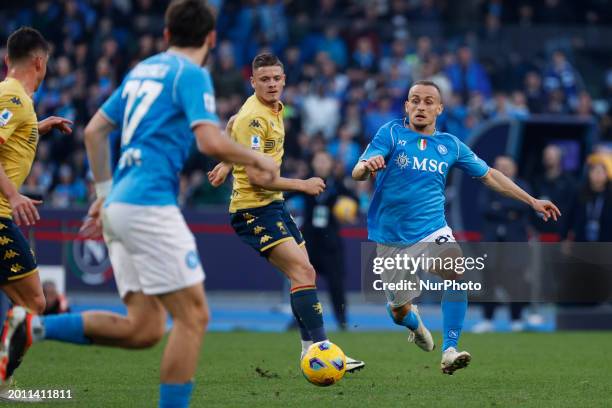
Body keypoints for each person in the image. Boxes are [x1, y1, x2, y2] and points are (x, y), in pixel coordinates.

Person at [1, 2, 276, 407]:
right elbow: (208, 141)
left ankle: (33, 329)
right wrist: (256, 159)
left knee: (145, 329)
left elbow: (95, 131)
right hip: (149, 204)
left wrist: (105, 195)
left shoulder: (142, 69)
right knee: (194, 317)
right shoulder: (191, 73)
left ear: (165, 36)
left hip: (121, 205)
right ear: (211, 39)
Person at [352, 80, 560, 375]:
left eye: (428, 101)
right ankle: (415, 323)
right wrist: (366, 167)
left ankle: (450, 350)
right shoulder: (391, 134)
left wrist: (531, 200)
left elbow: (490, 175)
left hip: (431, 229)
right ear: (406, 106)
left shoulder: (449, 145)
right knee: (399, 311)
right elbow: (357, 171)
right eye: (415, 100)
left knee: (456, 269)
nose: (421, 106)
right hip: (391, 237)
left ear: (439, 108)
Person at [207, 53, 364, 372]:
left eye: (276, 78)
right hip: (253, 209)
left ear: (284, 80)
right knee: (304, 273)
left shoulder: (274, 109)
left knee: (303, 274)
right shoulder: (256, 116)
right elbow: (257, 177)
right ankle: (322, 350)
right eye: (264, 79)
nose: (271, 84)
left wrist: (226, 162)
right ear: (253, 82)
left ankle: (311, 353)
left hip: (272, 205)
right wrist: (302, 185)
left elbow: (231, 124)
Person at [0, 26, 72, 386]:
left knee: (29, 302)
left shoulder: (17, 102)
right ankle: (2, 377)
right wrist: (13, 195)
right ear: (40, 63)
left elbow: (8, 137)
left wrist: (38, 128)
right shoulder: (13, 97)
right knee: (33, 302)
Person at [473, 156, 531, 333]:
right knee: (489, 280)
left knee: (515, 280)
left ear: (515, 169)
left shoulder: (523, 186)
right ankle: (488, 319)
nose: (503, 170)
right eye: (499, 166)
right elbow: (484, 208)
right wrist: (508, 211)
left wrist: (498, 207)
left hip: (515, 242)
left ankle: (516, 319)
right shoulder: (488, 185)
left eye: (507, 166)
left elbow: (522, 206)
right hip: (492, 241)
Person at [300, 151, 354, 330]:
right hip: (309, 241)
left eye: (325, 161)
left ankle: (342, 320)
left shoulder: (337, 185)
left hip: (331, 242)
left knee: (336, 284)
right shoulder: (305, 182)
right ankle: (300, 320)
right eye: (319, 160)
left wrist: (348, 210)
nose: (322, 164)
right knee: (303, 283)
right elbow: (285, 195)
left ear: (331, 164)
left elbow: (353, 200)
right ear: (313, 163)